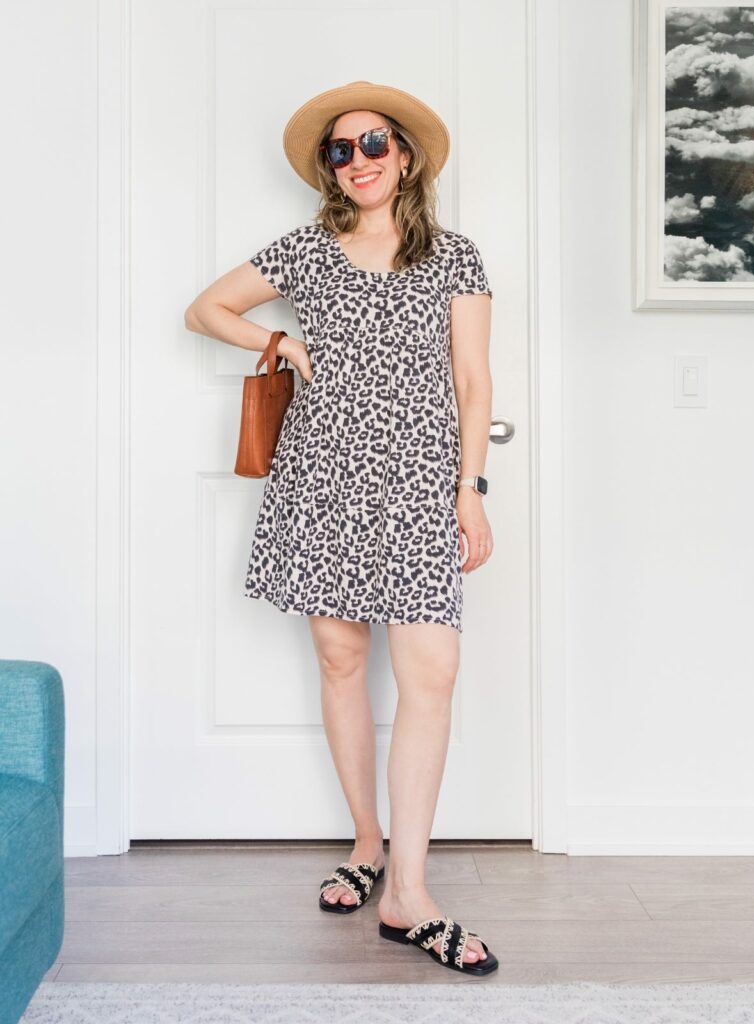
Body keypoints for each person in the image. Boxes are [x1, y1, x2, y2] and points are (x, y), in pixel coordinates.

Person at [184, 80, 497, 976]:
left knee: (431, 673)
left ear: (404, 157)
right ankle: (368, 847)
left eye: (374, 144)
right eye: (341, 150)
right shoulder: (309, 250)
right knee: (341, 658)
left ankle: (409, 887)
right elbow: (207, 308)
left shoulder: (456, 258)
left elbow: (473, 383)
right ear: (330, 169)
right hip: (322, 477)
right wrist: (279, 345)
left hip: (420, 483)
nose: (358, 160)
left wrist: (469, 489)